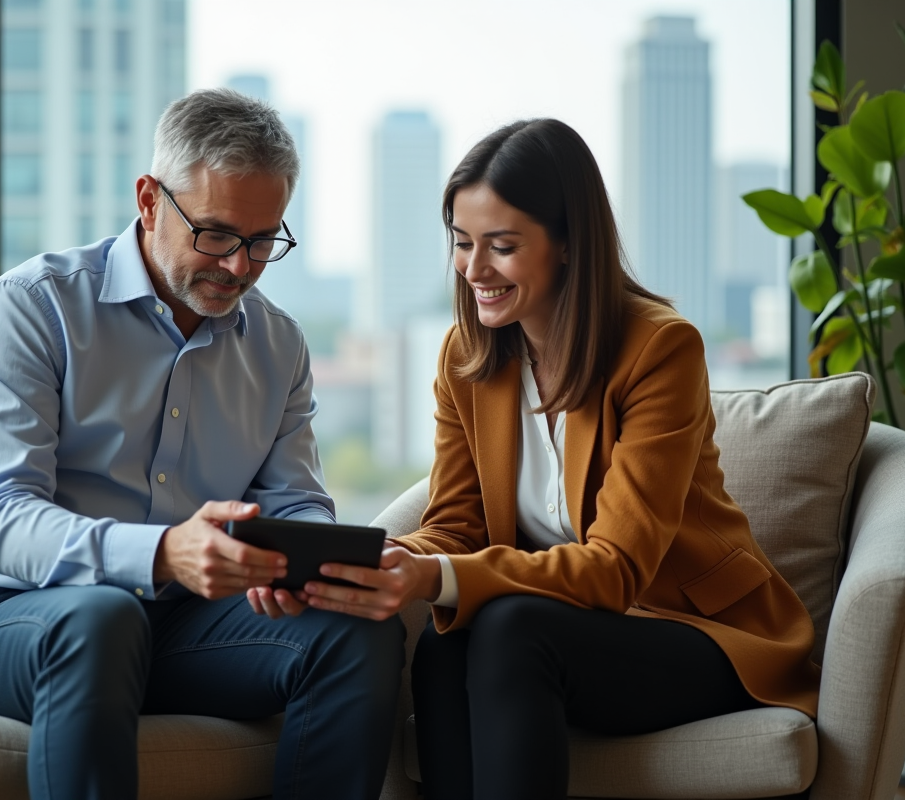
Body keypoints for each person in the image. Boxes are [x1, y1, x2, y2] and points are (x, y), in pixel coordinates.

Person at [301, 119, 821, 800]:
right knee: (444, 646)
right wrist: (387, 560)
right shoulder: (466, 360)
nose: (474, 269)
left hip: (697, 632)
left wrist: (438, 575)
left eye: (503, 246)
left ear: (570, 242)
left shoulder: (660, 350)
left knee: (511, 630)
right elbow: (455, 529)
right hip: (560, 632)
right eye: (462, 244)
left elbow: (616, 569)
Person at [0, 88, 405, 800]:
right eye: (216, 234)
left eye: (263, 241)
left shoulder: (278, 344)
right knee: (103, 616)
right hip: (11, 627)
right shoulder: (34, 307)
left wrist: (307, 566)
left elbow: (297, 500)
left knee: (356, 634)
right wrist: (160, 553)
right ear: (149, 201)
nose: (240, 267)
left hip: (181, 633)